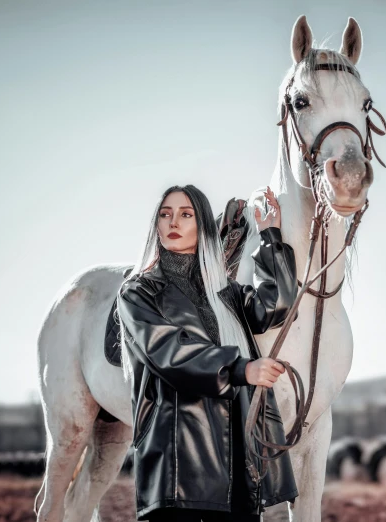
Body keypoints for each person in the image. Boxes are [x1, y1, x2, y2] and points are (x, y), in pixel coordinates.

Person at [116, 184, 299, 521]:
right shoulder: (138, 292)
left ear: (202, 226)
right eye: (165, 214)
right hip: (178, 469)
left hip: (239, 462)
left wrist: (270, 235)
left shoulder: (224, 291)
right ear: (156, 225)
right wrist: (242, 370)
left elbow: (275, 307)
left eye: (186, 215)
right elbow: (169, 352)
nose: (173, 222)